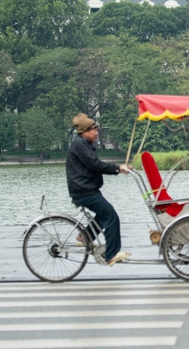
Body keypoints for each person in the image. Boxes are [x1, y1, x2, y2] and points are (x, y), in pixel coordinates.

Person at [66, 113, 131, 266]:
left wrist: (118, 169)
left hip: (86, 189)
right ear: (84, 132)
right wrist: (118, 169)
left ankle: (85, 238)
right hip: (84, 191)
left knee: (104, 215)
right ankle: (111, 255)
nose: (96, 133)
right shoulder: (80, 144)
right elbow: (95, 164)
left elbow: (95, 164)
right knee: (111, 216)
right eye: (94, 130)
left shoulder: (82, 143)